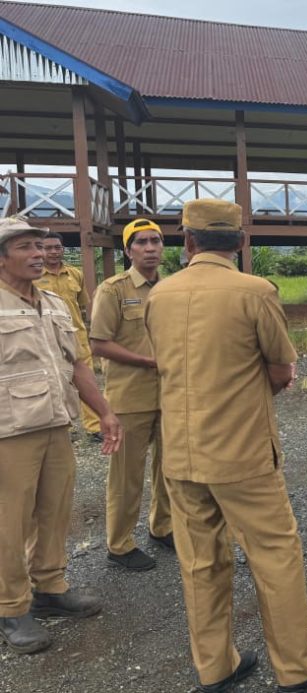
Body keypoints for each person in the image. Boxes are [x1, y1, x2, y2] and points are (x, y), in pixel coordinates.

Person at [145, 200, 307, 692]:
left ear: (188, 242)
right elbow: (282, 371)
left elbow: (165, 362)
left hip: (179, 451)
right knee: (274, 553)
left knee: (199, 561)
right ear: (241, 243)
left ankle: (215, 667)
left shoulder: (161, 295)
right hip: (241, 454)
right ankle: (299, 667)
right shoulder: (255, 291)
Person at [0, 217, 121, 655]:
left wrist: (104, 411)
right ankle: (11, 607)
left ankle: (50, 587)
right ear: (2, 257)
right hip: (9, 432)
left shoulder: (52, 302)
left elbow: (77, 365)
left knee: (55, 510)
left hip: (55, 424)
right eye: (24, 247)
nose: (37, 253)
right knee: (9, 522)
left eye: (38, 245)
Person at [90, 218, 173, 572]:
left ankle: (162, 526)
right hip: (130, 396)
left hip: (169, 394)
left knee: (169, 468)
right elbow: (99, 343)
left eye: (155, 241)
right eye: (141, 242)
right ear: (128, 250)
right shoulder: (114, 290)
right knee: (127, 476)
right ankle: (120, 544)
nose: (150, 248)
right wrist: (146, 361)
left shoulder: (171, 289)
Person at [34, 230, 102, 439]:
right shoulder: (34, 277)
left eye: (57, 247)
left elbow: (81, 305)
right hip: (47, 338)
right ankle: (65, 426)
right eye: (48, 248)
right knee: (56, 380)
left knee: (87, 380)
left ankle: (94, 426)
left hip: (76, 336)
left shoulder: (75, 274)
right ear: (40, 251)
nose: (53, 252)